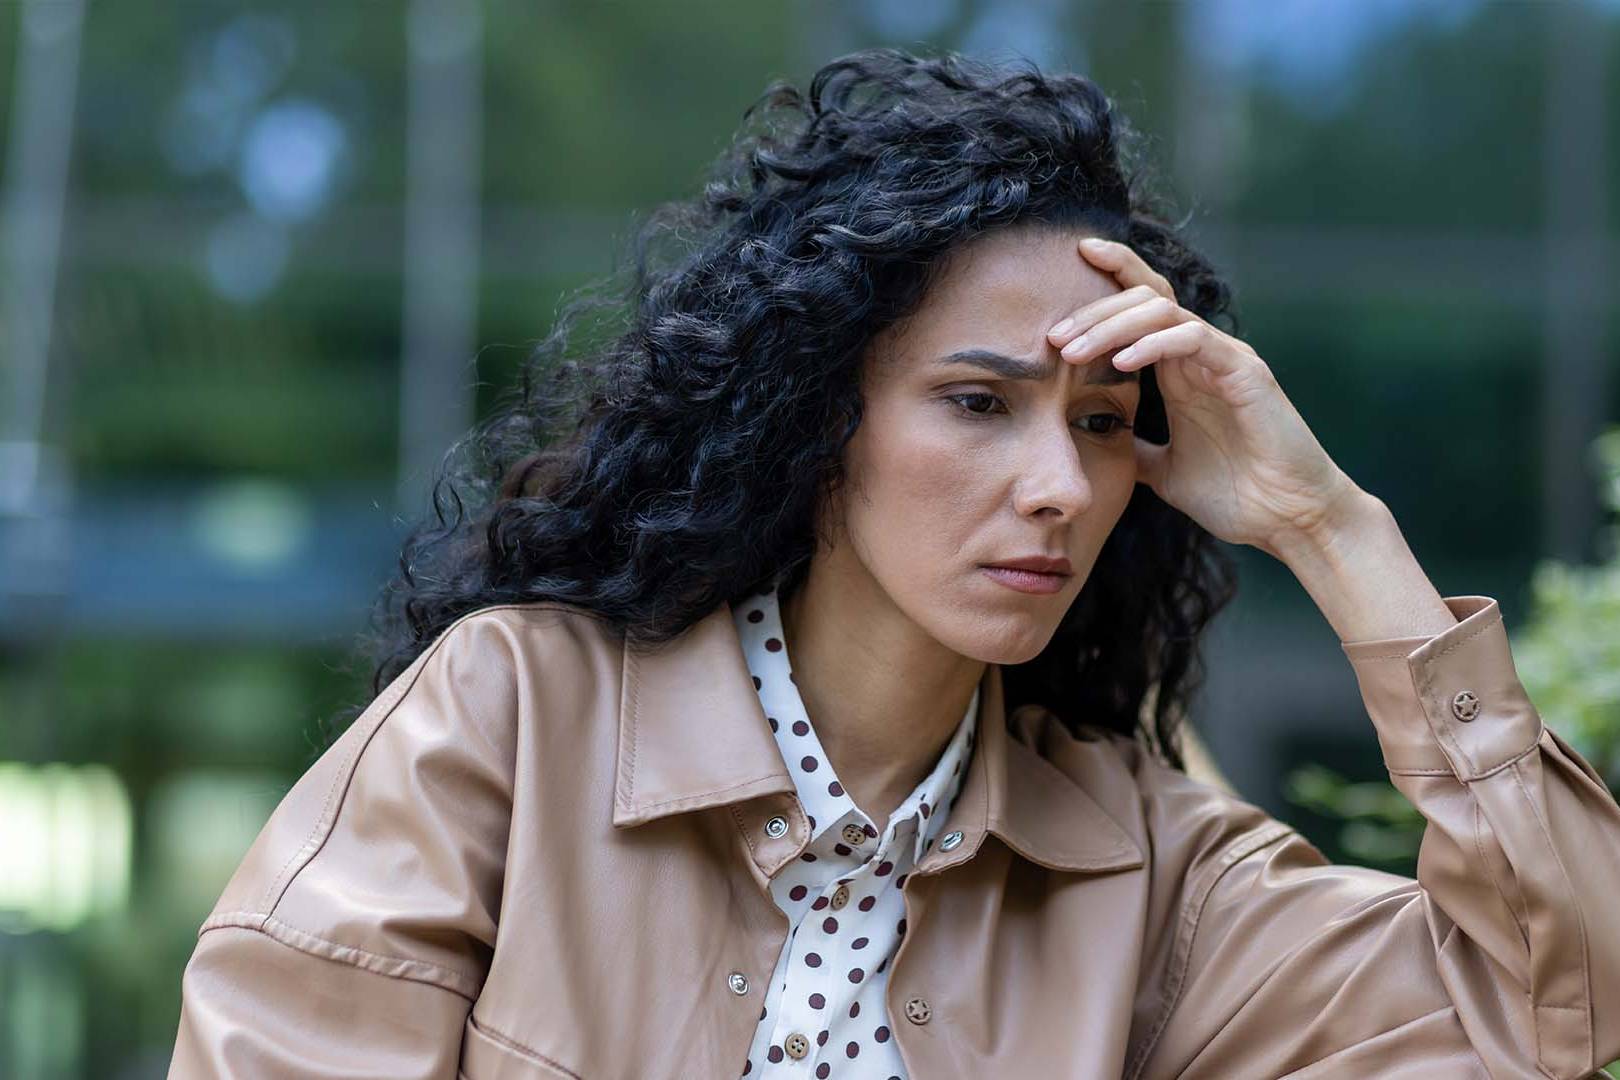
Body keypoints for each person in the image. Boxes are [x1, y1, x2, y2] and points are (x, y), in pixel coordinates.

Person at [167, 47, 1620, 1079]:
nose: (1056, 485)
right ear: (818, 416)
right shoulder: (514, 720)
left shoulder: (1145, 868)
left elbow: (1557, 1008)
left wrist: (1333, 527)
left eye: (1107, 425)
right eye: (978, 404)